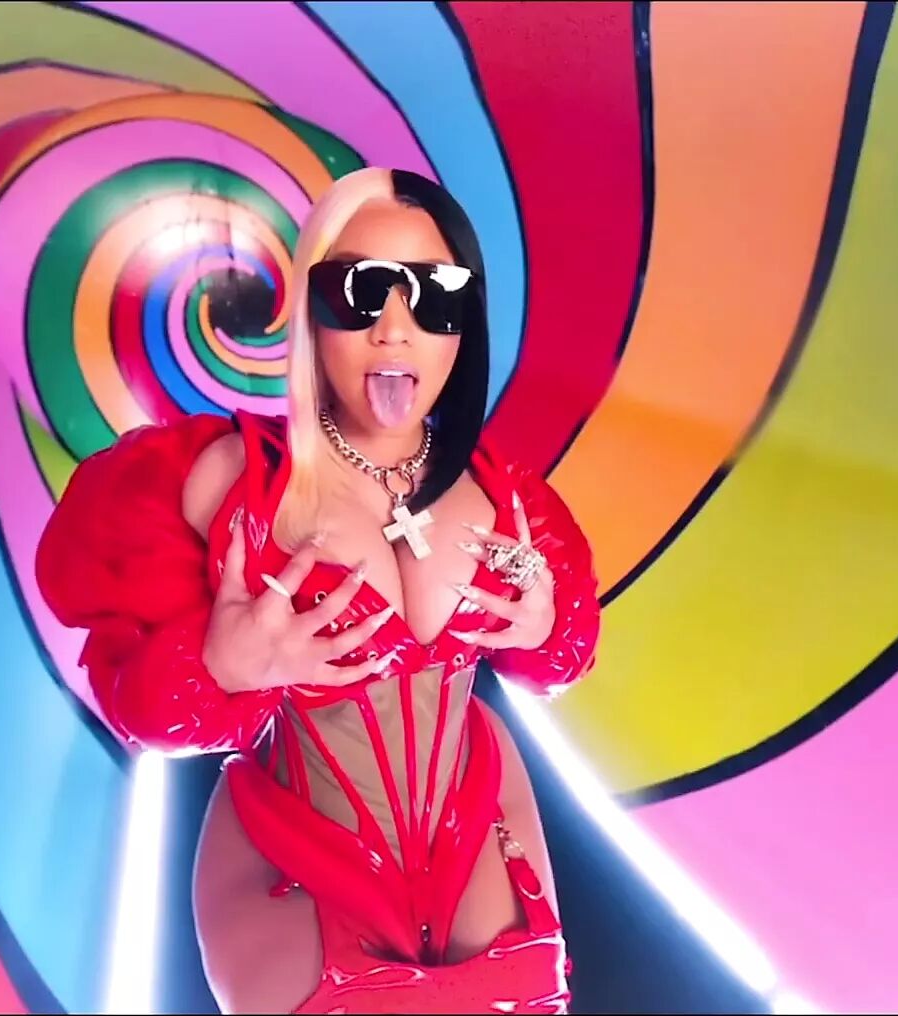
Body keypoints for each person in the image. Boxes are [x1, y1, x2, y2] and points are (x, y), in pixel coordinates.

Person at [35, 166, 601, 1014]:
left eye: (435, 297)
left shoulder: (507, 497)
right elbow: (136, 704)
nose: (395, 330)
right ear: (309, 304)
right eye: (362, 291)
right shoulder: (225, 482)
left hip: (475, 829)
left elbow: (567, 658)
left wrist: (546, 628)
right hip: (295, 861)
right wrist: (217, 669)